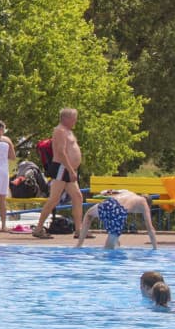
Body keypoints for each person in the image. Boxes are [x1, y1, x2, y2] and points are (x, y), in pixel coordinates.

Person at [31, 108, 86, 239]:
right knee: (54, 199)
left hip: (69, 169)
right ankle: (38, 228)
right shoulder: (60, 131)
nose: (75, 121)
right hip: (63, 168)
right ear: (66, 118)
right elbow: (61, 152)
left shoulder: (68, 131)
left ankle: (79, 230)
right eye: (73, 118)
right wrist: (70, 169)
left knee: (77, 197)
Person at [81, 188, 158, 252]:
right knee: (109, 249)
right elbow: (150, 228)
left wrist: (104, 193)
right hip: (119, 211)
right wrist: (155, 248)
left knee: (88, 215)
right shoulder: (144, 203)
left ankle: (78, 245)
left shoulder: (128, 192)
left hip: (109, 203)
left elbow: (105, 192)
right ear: (149, 204)